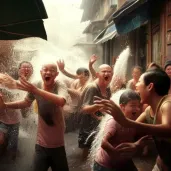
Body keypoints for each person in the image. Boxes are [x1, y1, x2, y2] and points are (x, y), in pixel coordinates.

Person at [94, 69, 171, 171]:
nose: (136, 85)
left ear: (150, 86)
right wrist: (137, 144)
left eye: (139, 81)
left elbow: (168, 130)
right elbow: (134, 128)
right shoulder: (149, 111)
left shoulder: (167, 104)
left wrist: (125, 121)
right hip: (162, 163)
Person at [0, 63, 69, 171]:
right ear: (40, 72)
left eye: (52, 70)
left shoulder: (59, 84)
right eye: (45, 69)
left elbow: (61, 101)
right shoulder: (36, 84)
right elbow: (25, 103)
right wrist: (5, 105)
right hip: (41, 144)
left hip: (58, 145)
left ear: (56, 74)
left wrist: (35, 90)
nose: (48, 72)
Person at [78, 64, 113, 161]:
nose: (107, 73)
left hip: (99, 121)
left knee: (97, 150)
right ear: (97, 74)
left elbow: (106, 106)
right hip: (87, 124)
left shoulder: (107, 88)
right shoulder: (92, 88)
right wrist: (99, 106)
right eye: (104, 71)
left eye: (109, 72)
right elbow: (84, 108)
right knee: (87, 151)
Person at [0, 61, 33, 160]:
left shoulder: (30, 85)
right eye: (23, 67)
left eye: (28, 67)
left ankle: (12, 159)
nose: (26, 70)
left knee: (12, 145)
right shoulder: (9, 83)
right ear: (18, 70)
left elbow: (26, 107)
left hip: (15, 121)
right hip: (3, 119)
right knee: (1, 140)